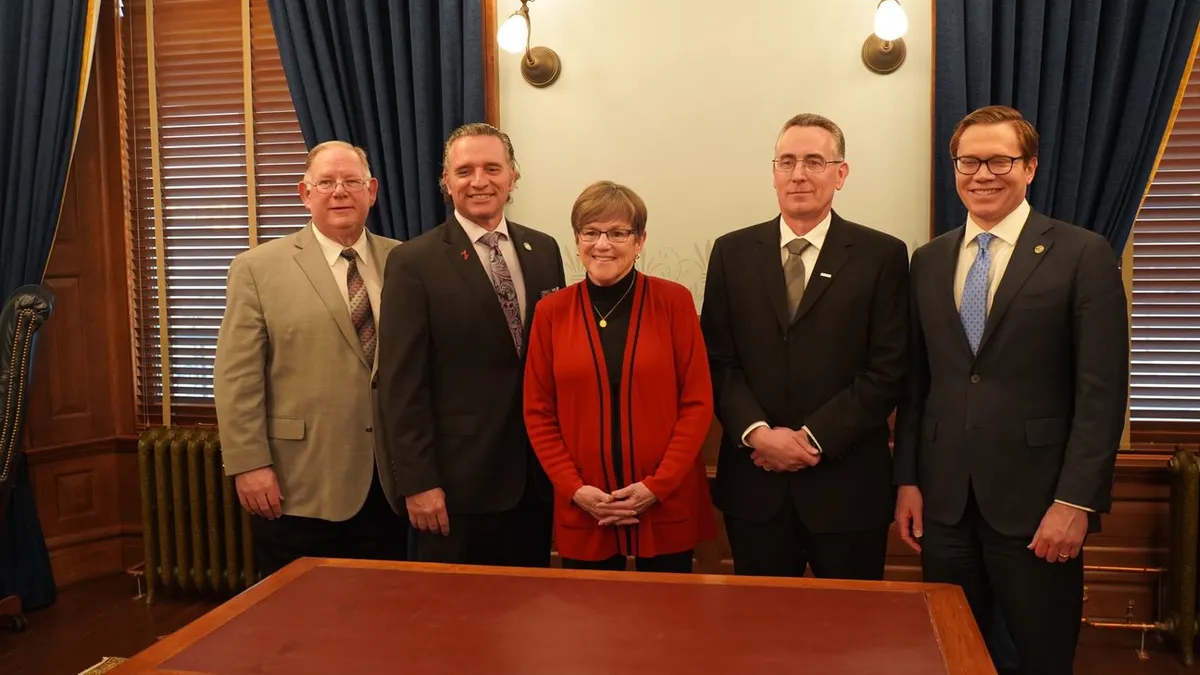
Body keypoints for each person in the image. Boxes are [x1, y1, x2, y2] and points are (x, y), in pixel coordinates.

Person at [893, 104, 1129, 675]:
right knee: (950, 654)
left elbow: (1102, 390)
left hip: (1039, 507)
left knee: (1042, 658)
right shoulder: (927, 260)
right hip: (945, 506)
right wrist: (907, 480)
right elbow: (918, 382)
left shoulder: (1082, 253)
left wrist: (1075, 502)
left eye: (999, 160)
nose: (982, 174)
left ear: (1029, 168)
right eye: (968, 161)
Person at [699, 113, 909, 580]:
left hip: (847, 489)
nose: (798, 174)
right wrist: (758, 433)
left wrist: (811, 440)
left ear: (841, 173)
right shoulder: (731, 253)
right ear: (773, 171)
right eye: (787, 161)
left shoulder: (882, 255)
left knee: (849, 639)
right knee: (761, 637)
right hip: (756, 485)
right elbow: (717, 360)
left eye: (814, 161)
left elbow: (887, 369)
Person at [214, 140, 407, 576]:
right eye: (326, 182)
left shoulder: (404, 261)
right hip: (297, 483)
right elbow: (236, 378)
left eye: (352, 181)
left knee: (388, 617)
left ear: (372, 191)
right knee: (297, 625)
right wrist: (250, 465)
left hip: (389, 484)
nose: (340, 192)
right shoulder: (258, 268)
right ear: (305, 193)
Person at [377, 123, 566, 567]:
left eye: (492, 168)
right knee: (457, 624)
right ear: (446, 182)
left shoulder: (545, 249)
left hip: (536, 479)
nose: (479, 181)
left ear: (513, 176)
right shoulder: (412, 262)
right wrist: (418, 482)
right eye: (465, 170)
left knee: (527, 618)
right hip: (456, 486)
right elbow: (401, 385)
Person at [523, 181, 716, 573]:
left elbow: (697, 405)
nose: (603, 244)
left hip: (665, 501)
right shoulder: (551, 312)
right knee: (589, 627)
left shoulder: (674, 303)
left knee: (669, 623)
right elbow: (539, 412)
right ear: (577, 240)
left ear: (640, 240)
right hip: (584, 506)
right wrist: (575, 490)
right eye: (590, 232)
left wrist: (655, 487)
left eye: (617, 233)